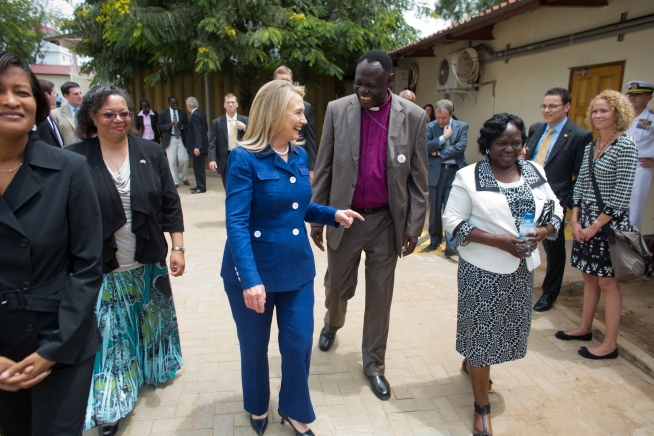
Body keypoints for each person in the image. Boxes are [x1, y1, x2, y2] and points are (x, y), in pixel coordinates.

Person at [221, 79, 362, 436]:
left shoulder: (298, 155)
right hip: (252, 271)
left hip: (296, 268)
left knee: (298, 343)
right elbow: (236, 222)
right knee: (254, 346)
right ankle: (257, 404)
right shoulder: (243, 158)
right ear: (274, 113)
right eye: (298, 112)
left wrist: (332, 214)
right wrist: (250, 279)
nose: (304, 119)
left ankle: (294, 408)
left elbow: (298, 206)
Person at [68, 84, 186, 436]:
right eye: (109, 114)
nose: (118, 119)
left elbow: (170, 202)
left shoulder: (148, 150)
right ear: (92, 116)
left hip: (148, 261)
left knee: (151, 322)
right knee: (113, 337)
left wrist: (178, 247)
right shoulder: (75, 158)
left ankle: (153, 368)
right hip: (104, 267)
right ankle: (112, 404)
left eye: (124, 113)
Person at [311, 49, 428, 400]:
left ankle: (374, 364)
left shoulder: (413, 116)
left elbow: (419, 181)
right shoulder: (337, 110)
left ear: (389, 81)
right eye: (358, 83)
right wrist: (317, 215)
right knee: (336, 286)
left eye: (372, 86)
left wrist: (413, 227)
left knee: (380, 295)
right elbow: (324, 166)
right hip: (343, 217)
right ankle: (332, 322)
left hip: (385, 222)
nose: (363, 91)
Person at [0, 51, 104, 436]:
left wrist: (53, 349)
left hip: (62, 339)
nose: (11, 100)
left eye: (21, 91)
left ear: (37, 104)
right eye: (0, 91)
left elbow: (87, 266)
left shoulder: (69, 170)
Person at [443, 113, 562, 436]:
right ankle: (481, 407)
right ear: (487, 144)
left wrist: (542, 232)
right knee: (481, 333)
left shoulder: (534, 171)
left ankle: (473, 364)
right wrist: (499, 241)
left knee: (500, 330)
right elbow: (452, 222)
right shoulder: (470, 176)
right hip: (482, 271)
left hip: (521, 269)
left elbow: (556, 209)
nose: (510, 149)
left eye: (516, 143)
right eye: (502, 143)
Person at [557, 90, 638, 360]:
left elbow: (621, 197)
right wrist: (576, 219)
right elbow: (580, 184)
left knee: (607, 283)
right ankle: (584, 328)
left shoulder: (626, 146)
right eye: (595, 110)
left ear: (618, 113)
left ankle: (610, 344)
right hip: (585, 222)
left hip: (608, 225)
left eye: (604, 110)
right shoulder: (591, 146)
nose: (598, 115)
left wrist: (594, 227)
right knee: (589, 277)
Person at [526, 87, 593, 312]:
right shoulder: (536, 128)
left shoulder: (580, 136)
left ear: (566, 107)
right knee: (523, 239)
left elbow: (580, 176)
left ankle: (550, 292)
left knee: (553, 248)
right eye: (544, 106)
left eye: (552, 106)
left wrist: (564, 200)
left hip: (553, 201)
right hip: (527, 196)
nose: (547, 110)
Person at [425, 99, 468, 256]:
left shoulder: (462, 126)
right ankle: (435, 239)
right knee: (435, 209)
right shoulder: (430, 127)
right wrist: (443, 138)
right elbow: (425, 146)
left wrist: (439, 153)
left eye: (444, 117)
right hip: (436, 172)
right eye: (438, 117)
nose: (440, 121)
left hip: (454, 173)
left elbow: (461, 147)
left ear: (451, 114)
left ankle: (451, 245)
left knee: (452, 209)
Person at [273, 66, 317, 180]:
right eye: (297, 112)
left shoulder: (302, 154)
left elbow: (310, 139)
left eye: (287, 80)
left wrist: (312, 168)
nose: (303, 120)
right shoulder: (247, 157)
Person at [625, 80, 654, 230]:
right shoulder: (621, 117)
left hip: (639, 167)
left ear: (649, 97)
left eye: (637, 94)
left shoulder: (652, 119)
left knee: (634, 209)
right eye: (630, 94)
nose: (632, 97)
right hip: (618, 165)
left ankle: (630, 242)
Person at [208, 93, 249, 189]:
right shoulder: (217, 122)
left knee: (242, 184)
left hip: (241, 156)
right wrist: (212, 159)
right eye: (228, 102)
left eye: (233, 102)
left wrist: (244, 127)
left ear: (237, 104)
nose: (230, 104)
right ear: (224, 105)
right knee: (228, 186)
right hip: (225, 158)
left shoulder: (245, 120)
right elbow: (212, 142)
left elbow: (254, 135)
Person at [158, 96, 190, 187]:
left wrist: (181, 126)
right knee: (172, 161)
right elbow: (160, 126)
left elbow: (187, 125)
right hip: (170, 138)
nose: (176, 104)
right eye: (173, 103)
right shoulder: (163, 113)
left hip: (181, 138)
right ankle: (175, 181)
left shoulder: (182, 113)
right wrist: (169, 125)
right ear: (169, 103)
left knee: (184, 159)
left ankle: (183, 177)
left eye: (176, 103)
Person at [185, 96, 209, 194]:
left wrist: (197, 147)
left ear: (188, 105)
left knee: (199, 167)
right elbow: (206, 128)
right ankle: (199, 184)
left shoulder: (194, 115)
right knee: (198, 166)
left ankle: (201, 186)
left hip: (198, 146)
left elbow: (197, 132)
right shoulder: (201, 113)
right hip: (201, 144)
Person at [51, 81, 83, 146]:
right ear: (66, 96)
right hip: (68, 149)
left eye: (80, 93)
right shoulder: (56, 114)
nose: (80, 96)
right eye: (76, 94)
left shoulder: (89, 111)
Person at [35, 79, 64, 148]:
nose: (55, 96)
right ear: (46, 95)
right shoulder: (38, 118)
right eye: (54, 93)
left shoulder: (47, 114)